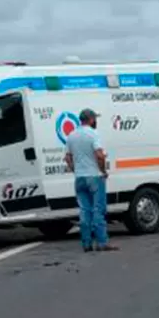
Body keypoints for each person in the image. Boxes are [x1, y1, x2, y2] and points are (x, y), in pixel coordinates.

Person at [63, 108, 115, 252]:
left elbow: (67, 157)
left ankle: (86, 243)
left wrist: (76, 170)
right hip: (94, 176)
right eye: (95, 119)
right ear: (91, 119)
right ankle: (102, 242)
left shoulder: (71, 135)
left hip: (79, 178)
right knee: (98, 210)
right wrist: (103, 171)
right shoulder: (93, 134)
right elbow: (99, 155)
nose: (95, 121)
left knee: (84, 211)